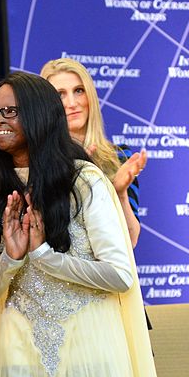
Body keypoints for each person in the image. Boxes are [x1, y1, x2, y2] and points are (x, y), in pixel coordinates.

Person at [0, 71, 175, 377]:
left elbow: (120, 274)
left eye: (9, 111)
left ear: (39, 114)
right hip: (20, 364)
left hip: (91, 358)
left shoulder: (85, 181)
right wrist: (11, 260)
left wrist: (46, 257)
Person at [40, 58, 147, 247]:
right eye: (60, 94)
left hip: (108, 275)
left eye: (79, 91)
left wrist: (119, 192)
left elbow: (130, 241)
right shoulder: (38, 162)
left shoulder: (119, 156)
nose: (72, 103)